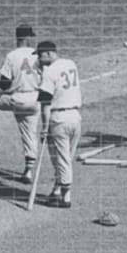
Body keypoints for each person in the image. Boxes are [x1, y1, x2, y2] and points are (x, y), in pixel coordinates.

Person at [0, 24, 42, 180]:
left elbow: (5, 84)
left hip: (17, 99)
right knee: (30, 134)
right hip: (35, 100)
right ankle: (28, 171)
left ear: (17, 38)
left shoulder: (12, 56)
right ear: (27, 38)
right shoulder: (38, 55)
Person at [32, 40, 82, 209]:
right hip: (75, 117)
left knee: (61, 159)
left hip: (59, 119)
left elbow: (45, 104)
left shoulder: (49, 72)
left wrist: (44, 129)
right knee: (65, 157)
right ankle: (57, 190)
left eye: (40, 56)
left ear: (48, 54)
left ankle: (66, 197)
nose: (39, 59)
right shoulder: (71, 63)